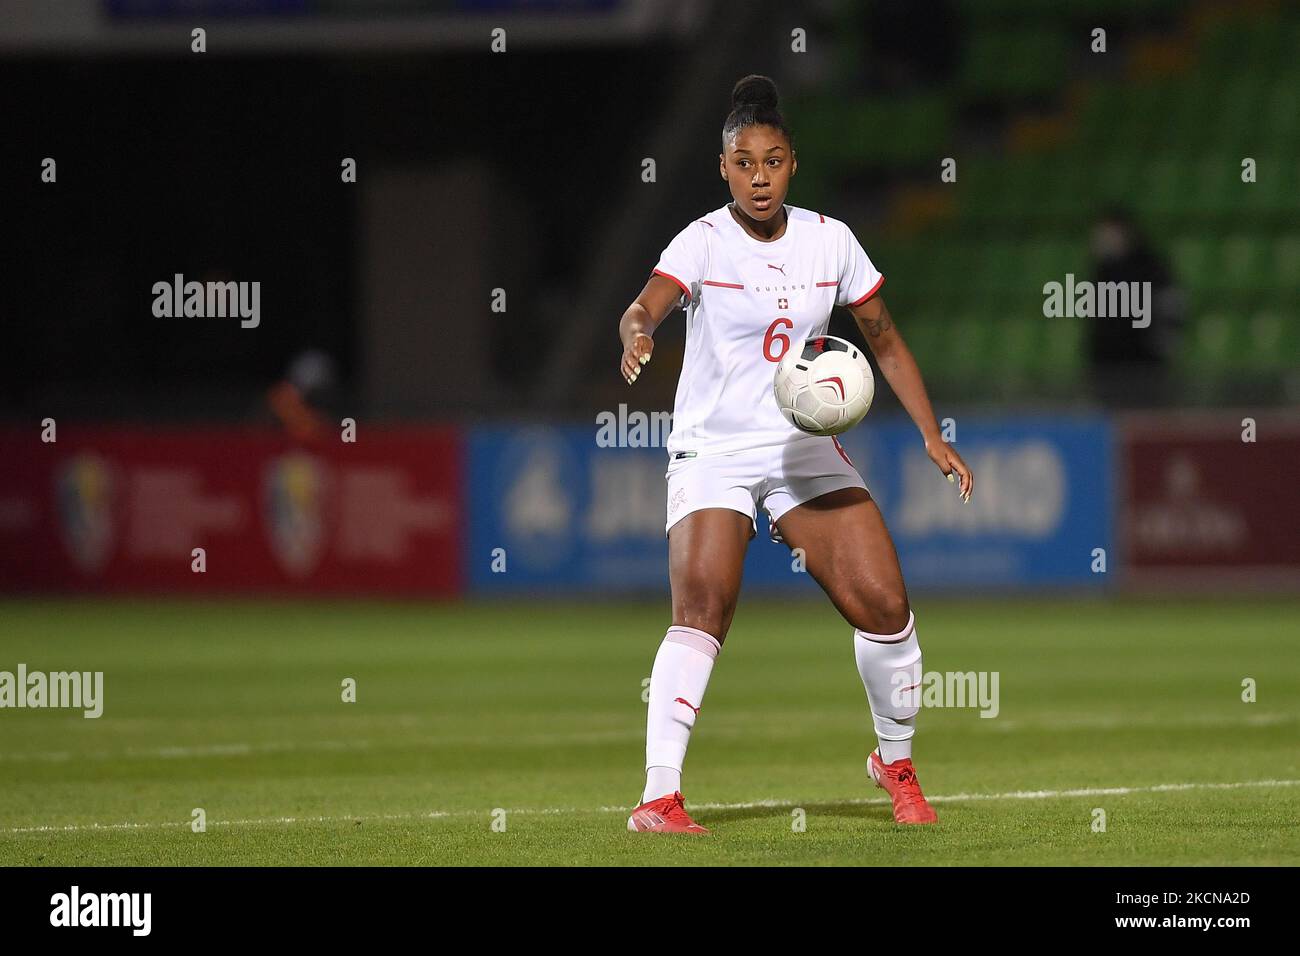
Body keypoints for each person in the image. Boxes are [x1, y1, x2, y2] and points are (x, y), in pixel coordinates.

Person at [617, 75, 973, 833]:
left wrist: (931, 433)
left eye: (772, 161)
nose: (758, 177)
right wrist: (639, 332)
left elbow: (881, 336)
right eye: (743, 163)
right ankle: (658, 797)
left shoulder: (830, 239)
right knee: (703, 607)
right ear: (723, 167)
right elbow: (646, 302)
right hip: (714, 450)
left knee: (886, 607)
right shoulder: (702, 240)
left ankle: (895, 763)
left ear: (792, 163)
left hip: (801, 449)